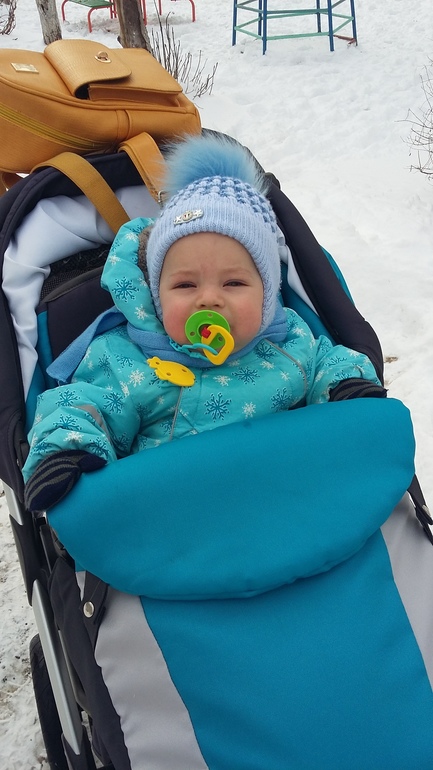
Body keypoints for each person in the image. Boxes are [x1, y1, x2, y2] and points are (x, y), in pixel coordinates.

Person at [23, 134, 385, 512]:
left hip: (291, 501)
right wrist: (66, 451)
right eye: (185, 285)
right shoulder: (125, 358)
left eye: (233, 283)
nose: (208, 299)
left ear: (267, 294)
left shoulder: (288, 342)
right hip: (179, 518)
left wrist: (346, 386)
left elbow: (330, 362)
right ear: (156, 296)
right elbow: (82, 406)